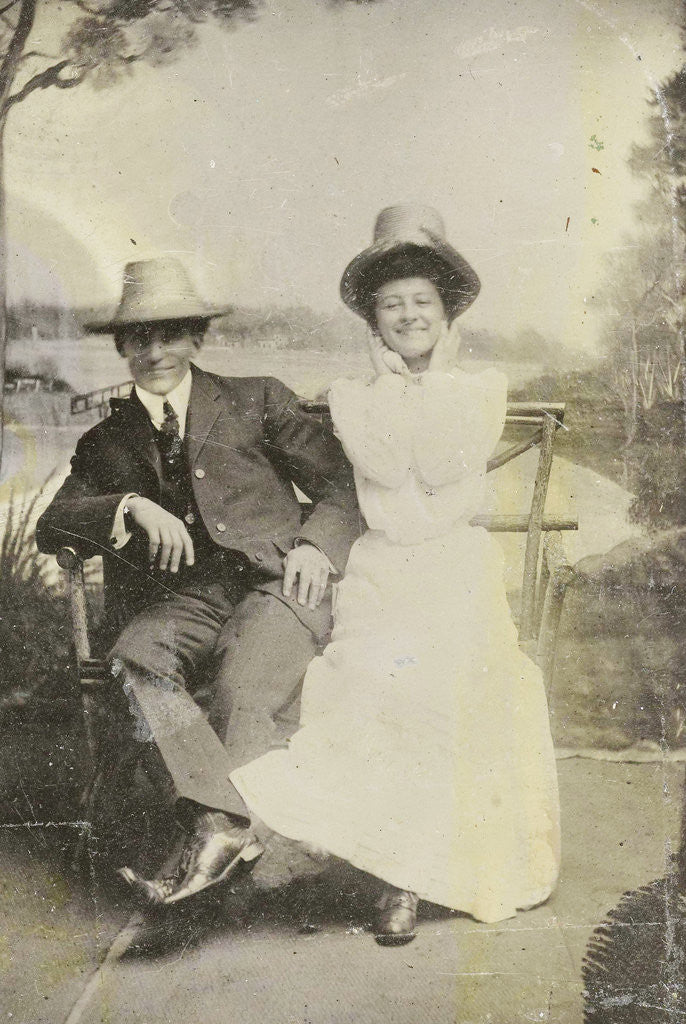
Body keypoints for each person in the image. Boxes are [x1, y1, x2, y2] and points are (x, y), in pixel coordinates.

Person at [230, 205, 561, 944]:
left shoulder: (479, 388)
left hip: (456, 569)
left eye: (423, 301)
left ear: (447, 313)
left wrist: (432, 381)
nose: (409, 316)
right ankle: (383, 866)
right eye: (391, 305)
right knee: (372, 684)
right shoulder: (355, 396)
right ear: (373, 323)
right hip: (382, 570)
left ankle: (405, 882)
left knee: (438, 689)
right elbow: (383, 470)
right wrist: (390, 386)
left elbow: (441, 467)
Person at [36, 256, 360, 904]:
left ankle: (217, 860)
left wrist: (315, 546)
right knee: (136, 656)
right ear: (122, 347)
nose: (155, 351)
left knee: (241, 688)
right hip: (185, 600)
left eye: (171, 334)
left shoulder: (256, 399)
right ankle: (219, 823)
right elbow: (52, 526)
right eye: (139, 338)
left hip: (278, 586)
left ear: (197, 338)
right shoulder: (107, 440)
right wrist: (128, 506)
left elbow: (343, 485)